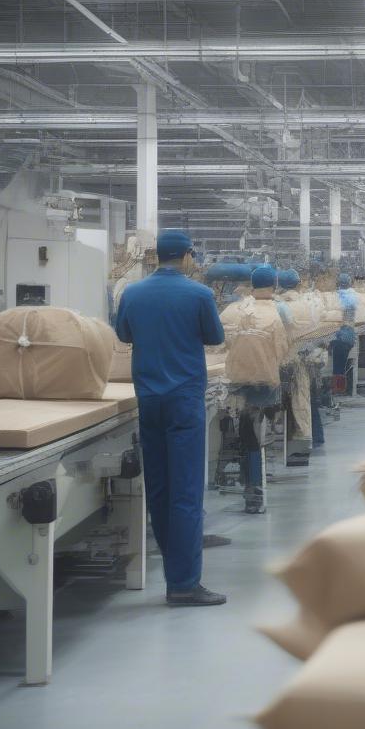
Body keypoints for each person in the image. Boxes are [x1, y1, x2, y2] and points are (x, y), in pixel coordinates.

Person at [114, 229, 227, 607]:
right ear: (187, 256)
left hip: (149, 399)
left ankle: (173, 571)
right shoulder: (199, 294)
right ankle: (183, 582)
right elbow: (213, 337)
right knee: (187, 492)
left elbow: (123, 332)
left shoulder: (132, 293)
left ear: (156, 256)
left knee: (159, 490)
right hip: (183, 400)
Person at [219, 265, 291, 513]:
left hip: (233, 380)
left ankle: (232, 471)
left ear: (251, 284)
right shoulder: (279, 309)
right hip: (263, 381)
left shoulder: (232, 309)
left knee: (236, 426)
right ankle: (254, 486)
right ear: (273, 285)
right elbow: (283, 348)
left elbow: (219, 342)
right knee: (254, 432)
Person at [330, 273, 359, 393]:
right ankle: (338, 388)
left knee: (338, 366)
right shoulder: (353, 296)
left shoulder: (336, 297)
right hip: (348, 336)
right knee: (340, 365)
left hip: (340, 337)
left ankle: (337, 389)